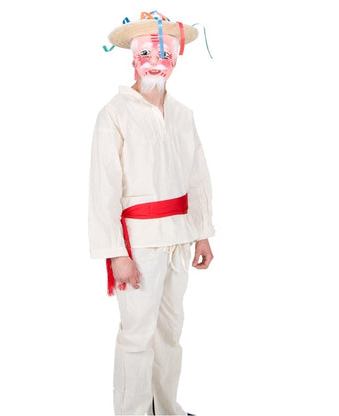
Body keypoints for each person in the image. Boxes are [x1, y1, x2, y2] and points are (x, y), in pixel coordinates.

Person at [88, 11, 215, 416]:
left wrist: (201, 233)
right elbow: (103, 189)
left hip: (179, 238)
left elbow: (197, 177)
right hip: (139, 244)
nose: (156, 61)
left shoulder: (183, 115)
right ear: (133, 57)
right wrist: (116, 253)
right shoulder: (114, 114)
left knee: (169, 333)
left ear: (176, 59)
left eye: (165, 54)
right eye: (147, 53)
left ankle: (166, 409)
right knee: (137, 336)